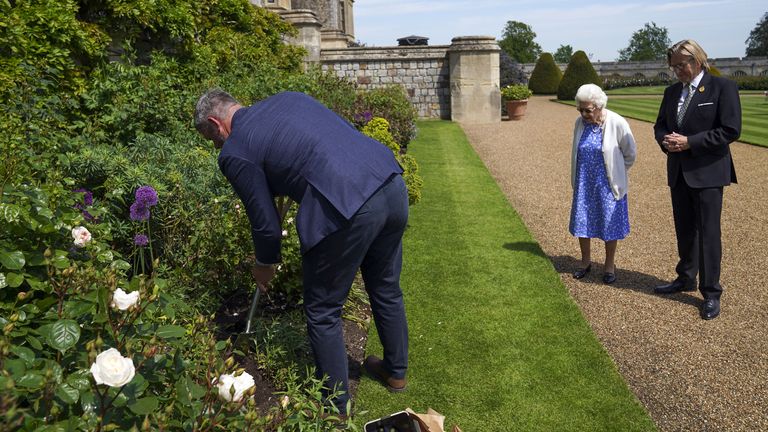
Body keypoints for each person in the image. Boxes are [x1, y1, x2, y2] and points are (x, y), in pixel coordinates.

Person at [194, 89, 410, 413]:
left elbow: (265, 225)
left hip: (348, 203)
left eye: (213, 139)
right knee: (385, 287)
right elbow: (310, 149)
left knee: (323, 309)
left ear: (216, 123)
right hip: (389, 182)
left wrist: (265, 263)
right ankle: (395, 372)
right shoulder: (287, 98)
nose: (217, 146)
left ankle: (335, 407)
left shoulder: (235, 150)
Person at [653, 39, 741, 320]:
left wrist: (690, 142)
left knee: (708, 233)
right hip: (678, 171)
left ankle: (711, 292)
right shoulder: (671, 92)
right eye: (674, 66)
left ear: (698, 60)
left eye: (682, 65)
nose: (678, 70)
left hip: (708, 171)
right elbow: (660, 125)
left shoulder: (722, 87)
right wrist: (665, 141)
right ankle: (686, 277)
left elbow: (730, 130)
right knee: (685, 229)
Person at [569, 84, 637, 285]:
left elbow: (630, 153)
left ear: (599, 106)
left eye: (587, 110)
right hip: (584, 184)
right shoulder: (579, 123)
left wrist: (617, 172)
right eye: (580, 109)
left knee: (609, 225)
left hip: (608, 185)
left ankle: (609, 265)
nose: (583, 114)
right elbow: (576, 152)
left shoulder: (616, 122)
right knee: (583, 223)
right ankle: (585, 262)